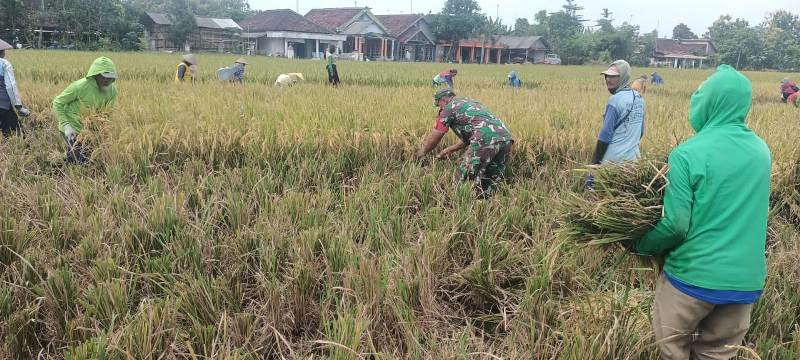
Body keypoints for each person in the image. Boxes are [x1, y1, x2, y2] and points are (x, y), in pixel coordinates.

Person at [631, 65, 771, 360]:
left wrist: (641, 245)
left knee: (672, 348)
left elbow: (675, 225)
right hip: (745, 282)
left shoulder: (688, 153)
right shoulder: (761, 152)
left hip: (692, 277)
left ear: (709, 102)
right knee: (717, 355)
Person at [415, 88, 514, 197]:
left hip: (484, 138)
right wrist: (448, 150)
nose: (440, 108)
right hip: (506, 139)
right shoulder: (471, 103)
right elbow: (469, 137)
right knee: (491, 179)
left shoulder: (448, 108)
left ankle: (457, 203)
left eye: (439, 105)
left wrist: (422, 152)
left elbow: (436, 136)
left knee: (464, 176)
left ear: (443, 100)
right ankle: (483, 205)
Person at [52, 56, 118, 164]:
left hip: (91, 130)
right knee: (79, 161)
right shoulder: (80, 87)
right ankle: (67, 169)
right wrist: (66, 125)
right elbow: (57, 102)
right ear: (96, 74)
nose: (107, 80)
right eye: (104, 76)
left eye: (110, 77)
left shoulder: (112, 90)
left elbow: (108, 112)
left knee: (92, 158)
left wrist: (104, 130)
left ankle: (64, 160)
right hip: (72, 127)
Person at [591, 60, 645, 165]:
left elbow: (605, 134)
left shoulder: (615, 100)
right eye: (606, 76)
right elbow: (641, 131)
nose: (607, 79)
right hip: (633, 161)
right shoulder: (639, 98)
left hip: (612, 162)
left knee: (591, 180)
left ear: (623, 77)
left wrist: (594, 163)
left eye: (613, 76)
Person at [0, 38, 30, 137]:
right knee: (16, 135)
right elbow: (11, 87)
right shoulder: (4, 64)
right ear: (2, 52)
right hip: (2, 106)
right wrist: (18, 107)